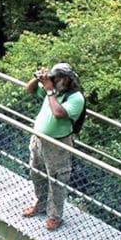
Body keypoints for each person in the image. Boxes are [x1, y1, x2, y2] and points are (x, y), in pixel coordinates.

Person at [22, 62, 85, 230]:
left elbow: (58, 114)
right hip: (38, 140)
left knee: (57, 180)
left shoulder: (76, 97)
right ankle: (40, 205)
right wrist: (37, 79)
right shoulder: (55, 88)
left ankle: (54, 216)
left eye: (56, 78)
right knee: (37, 174)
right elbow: (29, 89)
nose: (54, 81)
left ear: (66, 79)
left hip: (58, 145)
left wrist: (49, 90)